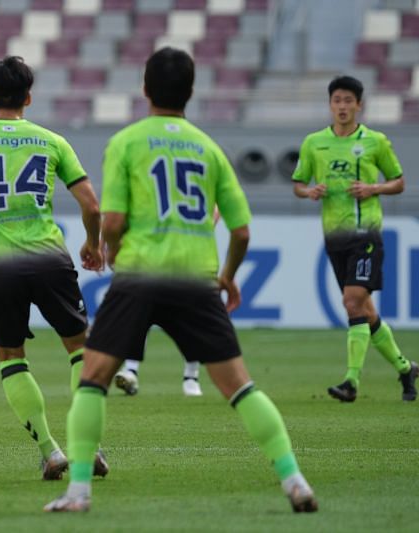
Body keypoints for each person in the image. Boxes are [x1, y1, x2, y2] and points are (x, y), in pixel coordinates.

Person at [44, 47, 318, 513]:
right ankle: (294, 480)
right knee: (241, 386)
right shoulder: (209, 148)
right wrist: (227, 276)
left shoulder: (128, 142)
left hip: (141, 275)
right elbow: (242, 230)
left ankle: (79, 492)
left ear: (145, 89)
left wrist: (106, 248)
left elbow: (111, 221)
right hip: (196, 279)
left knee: (92, 379)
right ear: (190, 92)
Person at [0, 56, 107, 480]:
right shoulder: (52, 140)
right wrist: (91, 242)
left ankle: (50, 450)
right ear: (28, 97)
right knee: (80, 351)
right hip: (50, 258)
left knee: (11, 357)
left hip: (0, 265)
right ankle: (89, 445)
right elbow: (91, 204)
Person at [293, 75, 417, 403]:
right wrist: (310, 192)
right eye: (337, 101)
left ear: (359, 105)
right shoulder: (314, 143)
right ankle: (406, 369)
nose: (343, 107)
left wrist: (372, 188)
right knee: (366, 311)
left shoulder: (375, 141)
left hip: (367, 234)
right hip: (334, 237)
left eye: (349, 101)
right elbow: (298, 184)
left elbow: (399, 182)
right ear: (330, 104)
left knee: (351, 302)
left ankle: (351, 382)